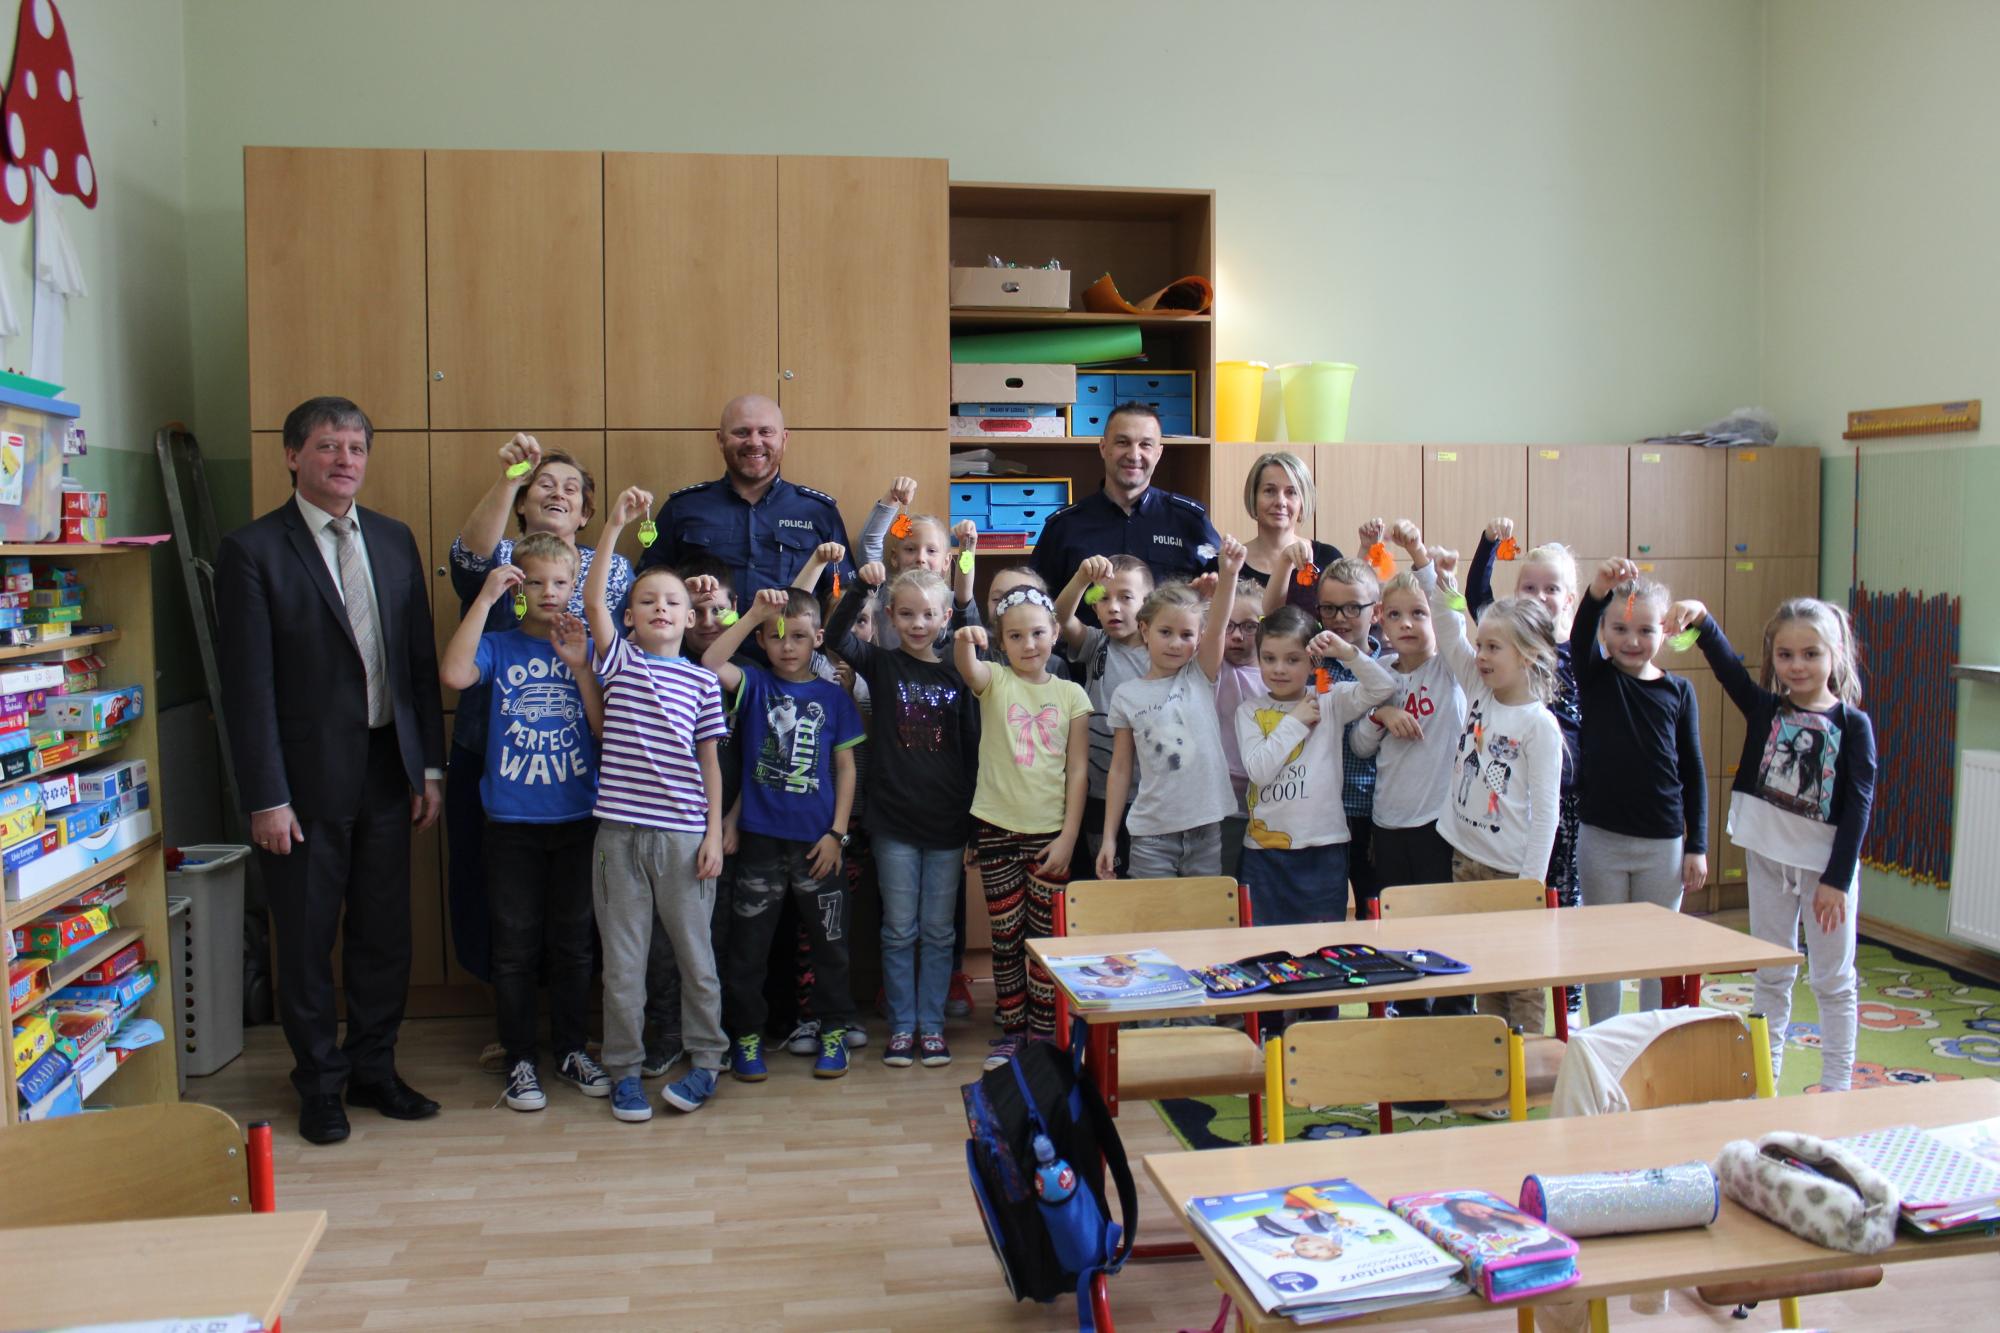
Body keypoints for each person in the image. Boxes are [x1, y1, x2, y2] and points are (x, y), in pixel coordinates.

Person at [215, 395, 445, 1146]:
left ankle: (374, 1068)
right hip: (302, 782)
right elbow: (247, 690)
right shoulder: (252, 550)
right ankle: (318, 1083)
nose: (345, 460)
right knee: (308, 937)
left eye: (356, 448)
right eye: (327, 446)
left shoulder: (393, 538)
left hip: (387, 767)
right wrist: (267, 796)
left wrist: (428, 768)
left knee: (384, 933)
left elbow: (416, 662)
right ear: (293, 456)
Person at [444, 432, 633, 1069]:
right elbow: (468, 562)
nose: (557, 493)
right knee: (505, 914)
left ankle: (570, 1038)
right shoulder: (502, 557)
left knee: (575, 920)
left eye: (571, 488)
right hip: (497, 757)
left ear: (585, 511)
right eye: (543, 484)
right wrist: (509, 476)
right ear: (524, 501)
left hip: (577, 767)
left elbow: (615, 653)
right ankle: (516, 1035)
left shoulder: (611, 569)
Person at [1670, 595, 1874, 1091]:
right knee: (1772, 972)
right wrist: (1702, 621)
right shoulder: (1766, 709)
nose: (1797, 665)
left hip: (1825, 871)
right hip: (1767, 859)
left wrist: (1837, 880)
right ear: (1773, 658)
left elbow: (1858, 805)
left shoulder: (1853, 725)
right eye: (1785, 655)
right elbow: (1728, 671)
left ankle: (1836, 1087)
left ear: (1834, 656)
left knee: (1833, 979)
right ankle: (1766, 1077)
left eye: (1810, 654)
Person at [437, 535, 608, 1111]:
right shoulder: (499, 644)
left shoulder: (587, 646)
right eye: (534, 582)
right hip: (510, 823)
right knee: (513, 946)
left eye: (560, 583)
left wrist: (579, 667)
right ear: (517, 588)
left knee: (574, 944)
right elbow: (454, 674)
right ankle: (519, 1058)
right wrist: (484, 599)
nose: (547, 592)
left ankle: (570, 1049)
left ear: (575, 588)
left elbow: (603, 727)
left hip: (578, 819)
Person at [583, 488, 730, 1121]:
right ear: (631, 617)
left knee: (696, 960)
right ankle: (624, 1071)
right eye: (647, 601)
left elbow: (710, 763)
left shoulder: (702, 680)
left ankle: (707, 1062)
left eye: (672, 601)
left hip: (684, 838)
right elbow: (593, 601)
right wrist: (615, 525)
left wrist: (713, 835)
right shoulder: (617, 662)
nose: (661, 608)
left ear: (690, 616)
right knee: (623, 965)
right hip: (618, 838)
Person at [1403, 522, 1563, 1041]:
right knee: (1487, 968)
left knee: (1521, 978)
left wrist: (1529, 886)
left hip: (1509, 872)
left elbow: (1547, 814)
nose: (1482, 656)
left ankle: (1528, 1061)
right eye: (1482, 645)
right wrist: (1430, 571)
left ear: (1528, 656)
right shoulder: (1478, 687)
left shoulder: (1539, 725)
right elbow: (1449, 633)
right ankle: (1497, 1059)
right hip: (1465, 859)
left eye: (1494, 647)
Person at [699, 586, 866, 1081]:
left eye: (798, 636)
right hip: (759, 842)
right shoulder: (754, 684)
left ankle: (833, 1030)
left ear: (818, 638)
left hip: (819, 844)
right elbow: (710, 661)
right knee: (749, 949)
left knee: (831, 946)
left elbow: (847, 769)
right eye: (776, 637)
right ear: (762, 641)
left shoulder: (834, 698)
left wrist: (838, 834)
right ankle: (747, 1036)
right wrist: (754, 615)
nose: (787, 646)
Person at [828, 563, 980, 1068]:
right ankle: (901, 1027)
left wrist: (973, 825)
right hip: (893, 822)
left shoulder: (959, 671)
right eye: (908, 614)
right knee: (898, 931)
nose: (918, 624)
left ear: (944, 619)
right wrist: (862, 587)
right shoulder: (881, 664)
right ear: (891, 616)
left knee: (938, 932)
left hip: (947, 823)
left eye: (929, 614)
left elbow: (972, 747)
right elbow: (836, 637)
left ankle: (931, 1027)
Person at [955, 591, 1091, 1068]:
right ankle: (1014, 1031)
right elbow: (968, 668)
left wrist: (1069, 837)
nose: (1028, 644)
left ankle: (1045, 1033)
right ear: (1001, 643)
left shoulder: (1071, 695)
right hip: (995, 830)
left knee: (1046, 941)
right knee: (1006, 937)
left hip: (1050, 835)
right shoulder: (995, 680)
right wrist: (964, 639)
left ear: (1055, 634)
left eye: (1037, 633)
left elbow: (1078, 771)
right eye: (1015, 636)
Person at [1572, 562, 1707, 1027]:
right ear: (1604, 633)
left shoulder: (1679, 692)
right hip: (1602, 839)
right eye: (1620, 629)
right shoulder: (1595, 677)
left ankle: (1652, 1037)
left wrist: (1698, 845)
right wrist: (1597, 590)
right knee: (1604, 947)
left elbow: (1694, 772)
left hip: (1662, 844)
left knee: (1657, 951)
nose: (1632, 640)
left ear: (1664, 632)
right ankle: (1604, 1037)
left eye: (1646, 630)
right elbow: (1580, 633)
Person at [1467, 519, 1584, 1013]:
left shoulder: (1576, 653)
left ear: (1570, 600)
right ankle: (1501, 1008)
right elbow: (1478, 598)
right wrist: (1489, 544)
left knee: (1555, 909)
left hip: (1560, 807)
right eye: (1529, 587)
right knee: (1506, 926)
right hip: (1510, 806)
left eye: (1551, 589)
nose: (1539, 596)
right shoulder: (1500, 656)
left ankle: (1565, 1005)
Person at [1236, 607, 1398, 923]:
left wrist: (1348, 653)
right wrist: (1295, 721)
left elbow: (1383, 687)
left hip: (1323, 848)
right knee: (1263, 942)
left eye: (1292, 659)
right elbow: (1259, 771)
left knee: (1322, 941)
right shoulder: (1249, 711)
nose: (1279, 669)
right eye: (1269, 658)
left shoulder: (1330, 699)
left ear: (1313, 662)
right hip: (1264, 852)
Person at [1099, 539, 1247, 879]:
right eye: (1165, 632)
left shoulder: (1200, 675)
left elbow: (1219, 623)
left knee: (1204, 913)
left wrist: (1229, 574)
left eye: (1186, 635)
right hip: (1151, 836)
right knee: (1155, 913)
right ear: (1145, 630)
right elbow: (1120, 769)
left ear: (1198, 639)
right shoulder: (1127, 695)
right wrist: (1109, 838)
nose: (1176, 643)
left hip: (1206, 833)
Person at [640, 393, 853, 604]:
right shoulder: (682, 508)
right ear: (720, 440)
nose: (754, 442)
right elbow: (647, 590)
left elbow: (841, 596)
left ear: (784, 439)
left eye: (765, 432)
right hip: (708, 627)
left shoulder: (819, 512)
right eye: (741, 432)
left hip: (788, 628)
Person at [1350, 570, 1469, 893]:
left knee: (1438, 912)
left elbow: (1454, 619)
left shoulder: (1450, 667)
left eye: (1419, 613)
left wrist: (1422, 558)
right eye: (1395, 615)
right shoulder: (1379, 672)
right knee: (1395, 913)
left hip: (1438, 822)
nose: (1406, 623)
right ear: (1381, 619)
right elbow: (1360, 746)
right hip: (1387, 821)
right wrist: (1380, 715)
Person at [1030, 402, 1221, 595]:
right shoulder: (1065, 527)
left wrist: (1205, 595)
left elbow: (1227, 590)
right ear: (1103, 447)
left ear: (1158, 453)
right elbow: (1035, 601)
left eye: (1145, 445)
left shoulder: (1190, 521)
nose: (1134, 455)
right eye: (1123, 442)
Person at [1053, 555, 1155, 875]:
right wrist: (1082, 579)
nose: (1113, 607)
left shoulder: (1159, 652)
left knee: (1144, 879)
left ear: (1148, 604)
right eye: (1104, 599)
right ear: (1095, 607)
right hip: (1097, 790)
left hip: (1146, 792)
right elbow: (1060, 616)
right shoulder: (1096, 643)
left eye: (1125, 598)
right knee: (1106, 874)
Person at [1308, 550, 1392, 917]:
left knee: (1373, 910)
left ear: (1376, 611)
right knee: (1322, 910)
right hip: (1322, 810)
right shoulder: (1310, 664)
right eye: (1329, 608)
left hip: (1370, 810)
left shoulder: (1390, 666)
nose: (1340, 618)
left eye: (1352, 608)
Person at [1231, 451, 1349, 617]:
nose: (1280, 502)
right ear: (1253, 497)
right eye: (1269, 491)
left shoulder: (1328, 559)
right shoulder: (1230, 564)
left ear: (1303, 501)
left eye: (1291, 492)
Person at [1213, 579, 1267, 877]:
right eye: (1229, 626)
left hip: (1267, 805)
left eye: (1249, 626)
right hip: (1224, 806)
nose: (1236, 636)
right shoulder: (1214, 669)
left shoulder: (1278, 676)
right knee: (1226, 886)